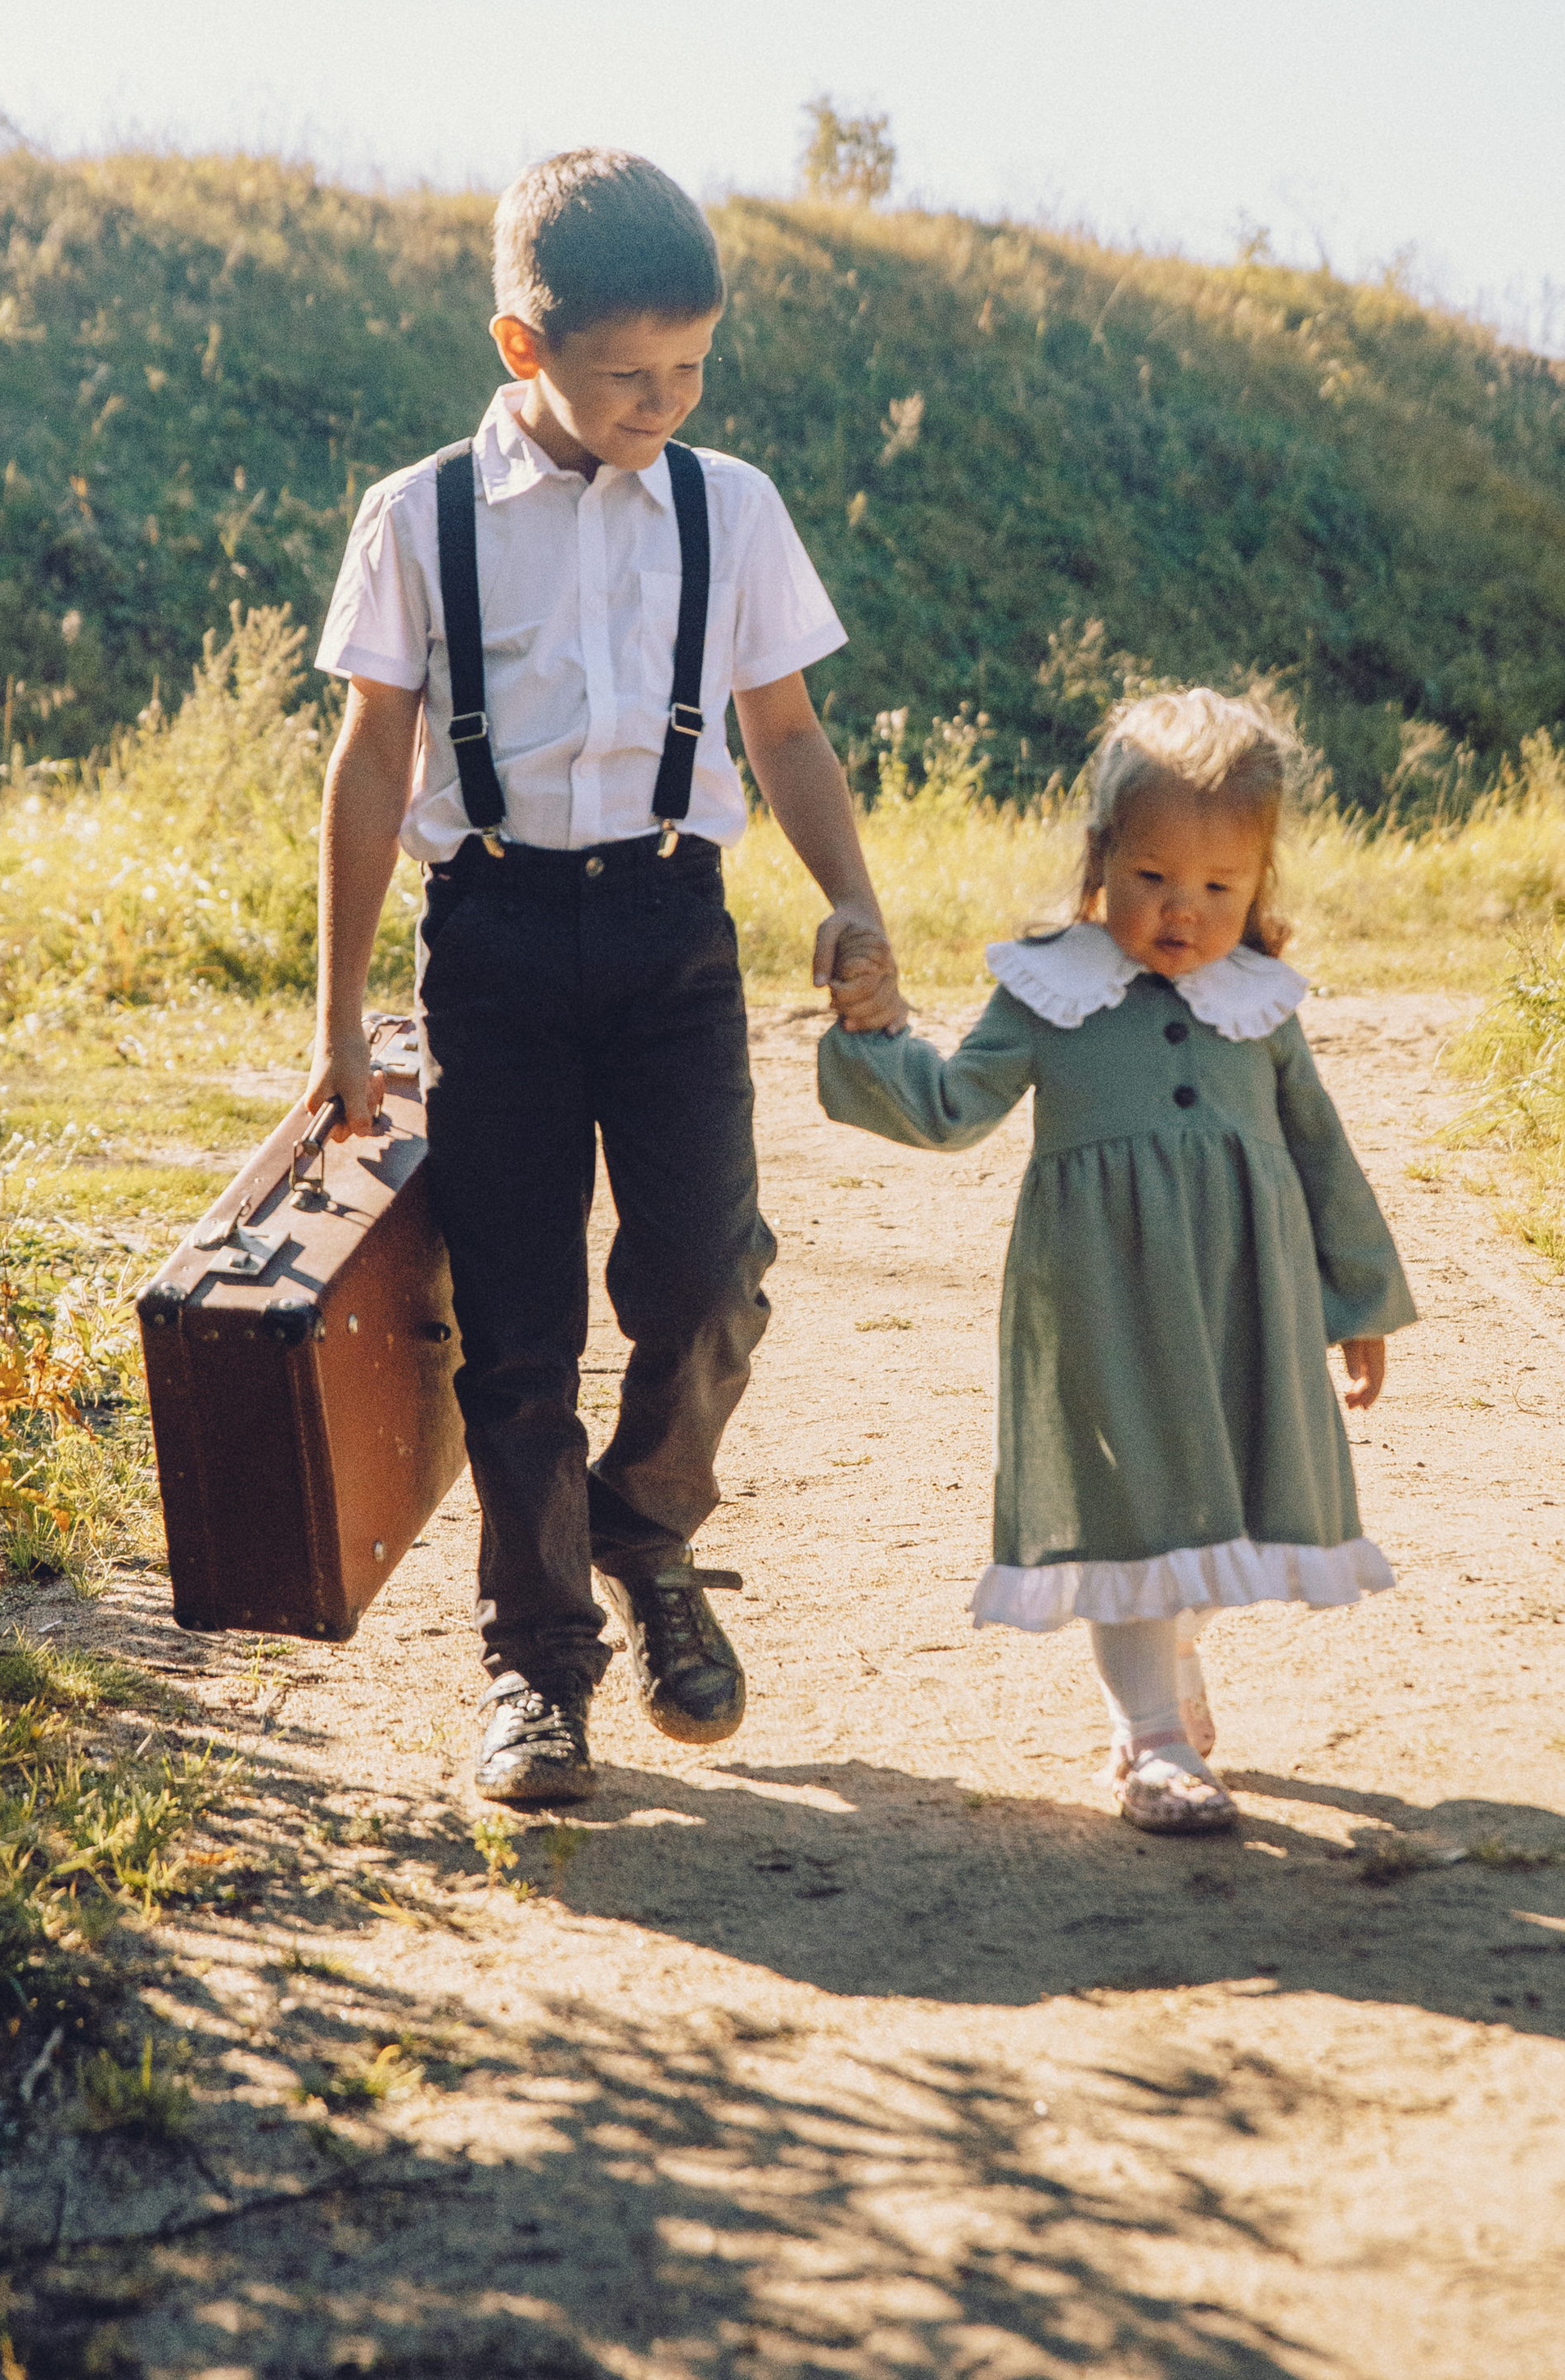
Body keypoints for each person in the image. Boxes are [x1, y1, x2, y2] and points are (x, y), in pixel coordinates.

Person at [305, 148, 904, 1807]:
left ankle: (647, 1540)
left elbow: (782, 730)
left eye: (689, 371)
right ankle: (537, 1668)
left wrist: (852, 902)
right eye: (626, 375)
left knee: (710, 1278)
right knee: (512, 1325)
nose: (662, 402)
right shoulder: (418, 517)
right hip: (488, 942)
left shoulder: (733, 507)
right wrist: (342, 1015)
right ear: (523, 348)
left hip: (668, 934)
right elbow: (369, 765)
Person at [817, 688, 1415, 1835]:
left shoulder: (1259, 1003)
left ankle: (1177, 1650)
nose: (1182, 913)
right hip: (1100, 1296)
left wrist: (1359, 1303)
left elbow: (1321, 1153)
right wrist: (872, 1032)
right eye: (1151, 879)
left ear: (1260, 885)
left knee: (1224, 1494)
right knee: (1128, 1504)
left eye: (1219, 889)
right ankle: (1146, 1737)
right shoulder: (1053, 987)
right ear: (1102, 858)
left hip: (1245, 1294)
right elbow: (951, 1107)